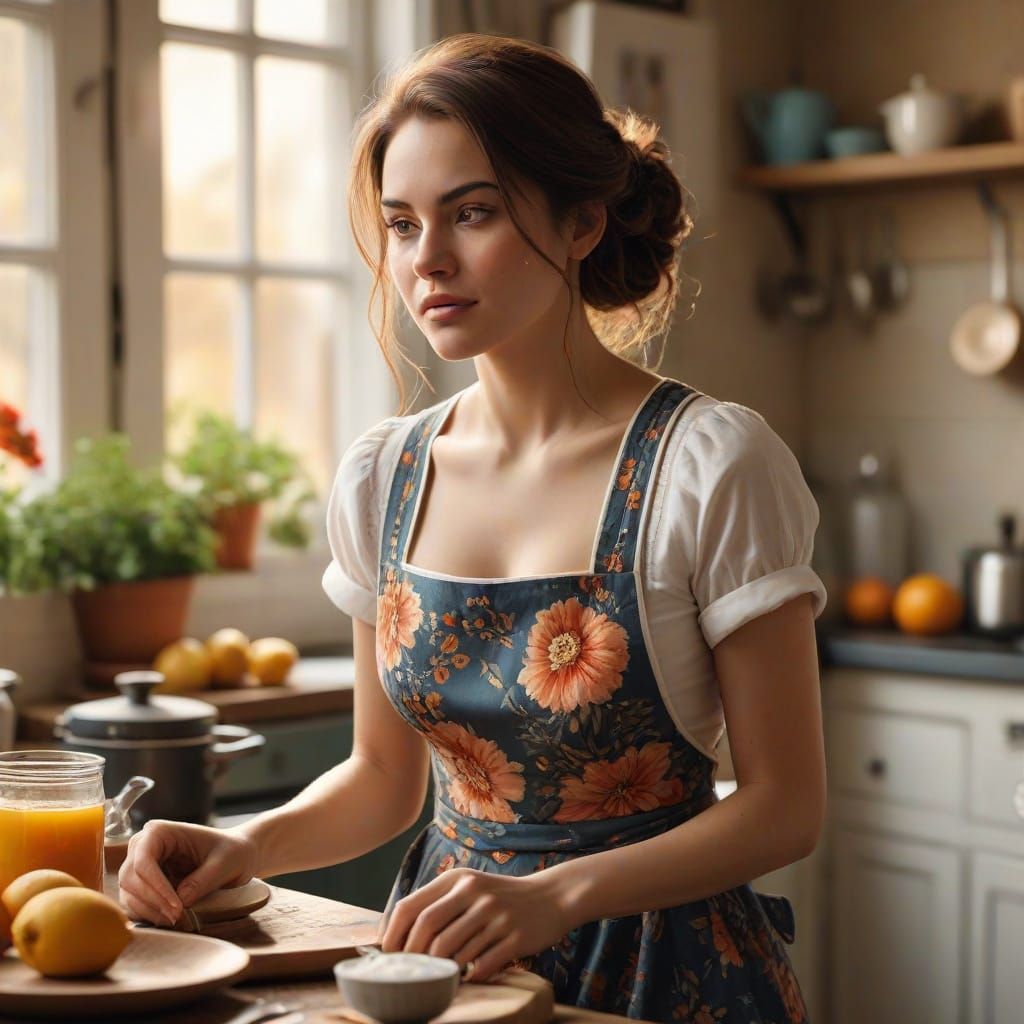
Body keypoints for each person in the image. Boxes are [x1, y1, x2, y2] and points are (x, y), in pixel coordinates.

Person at [119, 34, 827, 1022]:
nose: (427, 260)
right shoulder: (386, 476)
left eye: (473, 212)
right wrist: (245, 843)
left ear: (582, 222)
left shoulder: (708, 465)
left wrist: (554, 896)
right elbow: (381, 780)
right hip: (448, 978)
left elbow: (784, 807)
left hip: (666, 975)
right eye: (402, 224)